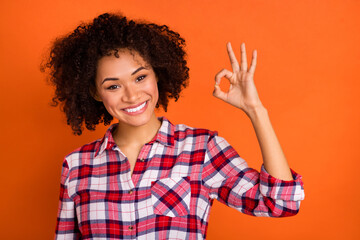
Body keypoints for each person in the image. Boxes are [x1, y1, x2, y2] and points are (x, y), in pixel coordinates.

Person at [42, 12, 305, 240]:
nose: (132, 96)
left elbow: (281, 203)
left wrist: (256, 110)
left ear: (158, 74)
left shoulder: (202, 150)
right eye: (113, 85)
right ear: (96, 93)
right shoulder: (76, 166)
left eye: (140, 77)